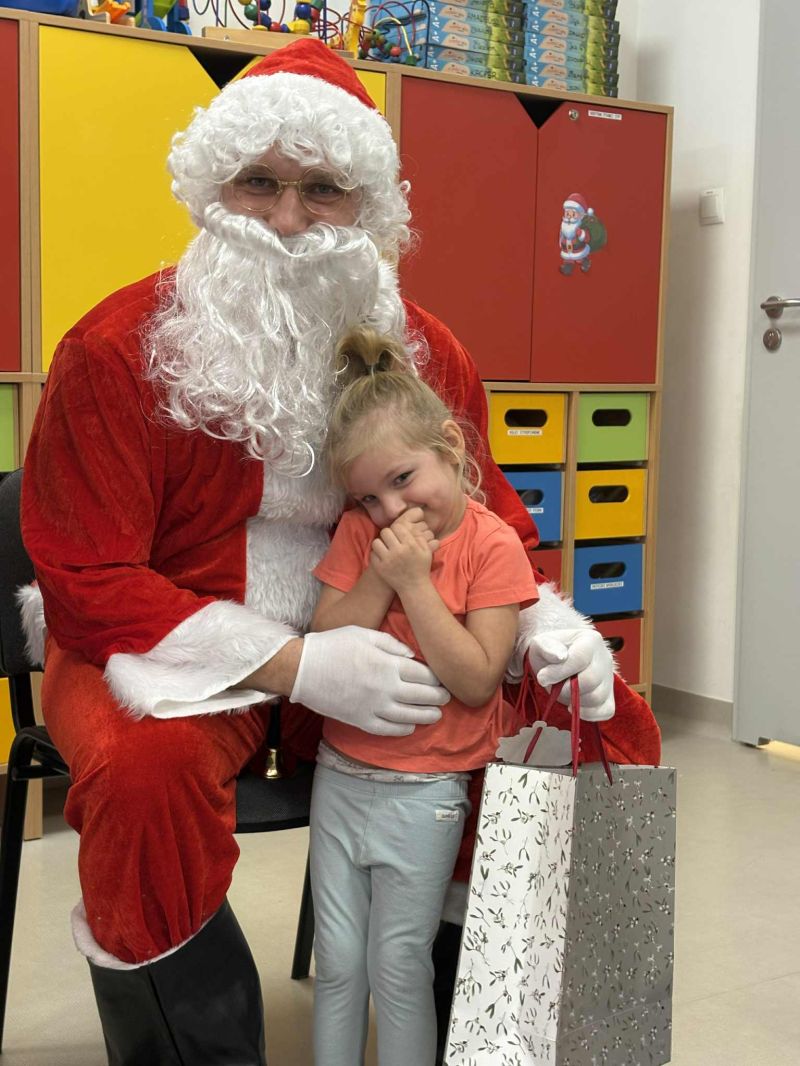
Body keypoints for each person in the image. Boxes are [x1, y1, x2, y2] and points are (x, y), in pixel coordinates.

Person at [19, 38, 627, 1065]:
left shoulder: (428, 352)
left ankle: (482, 1026)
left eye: (323, 189)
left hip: (393, 633)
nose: (290, 220)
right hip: (164, 640)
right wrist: (299, 664)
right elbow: (87, 580)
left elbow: (487, 524)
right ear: (213, 188)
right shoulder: (114, 349)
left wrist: (545, 629)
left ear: (369, 205)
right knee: (142, 777)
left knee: (563, 724)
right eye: (259, 183)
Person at [308, 328, 540, 1065]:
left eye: (403, 479)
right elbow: (324, 642)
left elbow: (477, 678)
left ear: (451, 446)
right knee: (337, 963)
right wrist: (382, 574)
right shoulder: (361, 534)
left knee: (399, 964)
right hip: (340, 776)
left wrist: (412, 582)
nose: (389, 510)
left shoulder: (492, 545)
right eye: (369, 496)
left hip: (427, 791)